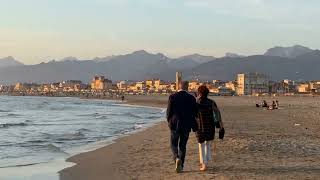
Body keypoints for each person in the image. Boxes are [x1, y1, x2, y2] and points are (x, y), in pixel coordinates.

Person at [166, 81, 198, 173]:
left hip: (175, 124)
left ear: (178, 87)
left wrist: (169, 121)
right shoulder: (191, 98)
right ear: (187, 87)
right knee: (183, 146)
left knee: (173, 144)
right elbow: (195, 113)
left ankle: (176, 158)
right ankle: (181, 165)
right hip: (186, 125)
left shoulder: (172, 97)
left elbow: (169, 112)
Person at [195, 85, 224, 171]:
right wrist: (221, 125)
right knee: (207, 143)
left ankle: (204, 163)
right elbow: (217, 113)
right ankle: (206, 161)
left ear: (199, 93)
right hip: (210, 126)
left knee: (201, 144)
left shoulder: (196, 102)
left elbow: (193, 114)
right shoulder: (211, 102)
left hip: (200, 127)